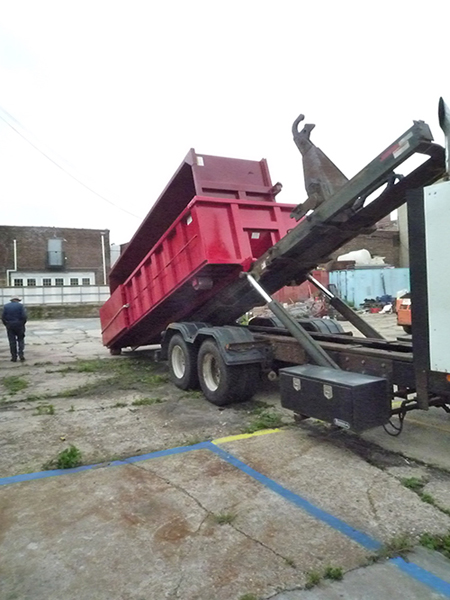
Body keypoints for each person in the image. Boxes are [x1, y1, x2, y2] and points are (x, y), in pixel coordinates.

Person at [2, 296, 27, 362]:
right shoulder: (21, 306)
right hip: (19, 325)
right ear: (17, 300)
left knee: (12, 341)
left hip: (10, 325)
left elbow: (3, 317)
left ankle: (14, 357)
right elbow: (24, 316)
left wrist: (6, 324)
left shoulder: (6, 306)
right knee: (20, 340)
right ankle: (21, 354)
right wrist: (22, 323)